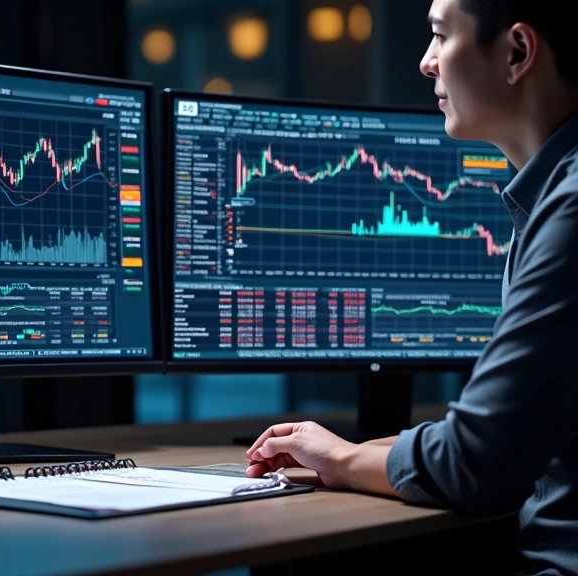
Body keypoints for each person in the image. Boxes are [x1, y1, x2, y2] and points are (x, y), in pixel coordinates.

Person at [245, 0, 578, 574]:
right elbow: (503, 432)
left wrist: (345, 459)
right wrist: (370, 450)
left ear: (517, 52)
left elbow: (478, 461)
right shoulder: (550, 198)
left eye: (441, 36)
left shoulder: (571, 210)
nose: (426, 63)